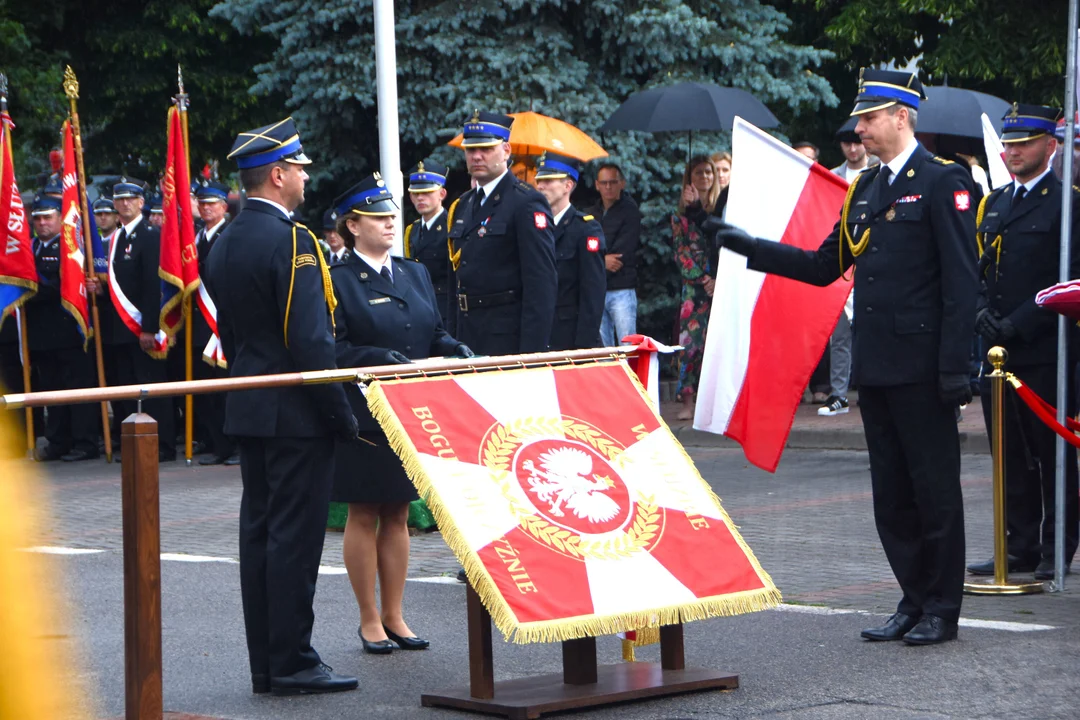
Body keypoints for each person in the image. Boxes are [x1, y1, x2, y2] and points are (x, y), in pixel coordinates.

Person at [714, 69, 977, 645]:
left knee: (934, 492)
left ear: (900, 117)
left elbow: (962, 282)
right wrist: (751, 247)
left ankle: (942, 607)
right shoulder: (866, 188)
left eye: (869, 118)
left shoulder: (942, 181)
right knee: (891, 496)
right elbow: (822, 265)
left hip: (926, 367)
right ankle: (912, 599)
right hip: (878, 366)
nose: (859, 130)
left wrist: (959, 367)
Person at [204, 117, 360, 696]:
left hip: (249, 407)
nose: (302, 177)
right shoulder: (293, 240)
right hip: (295, 414)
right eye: (297, 168)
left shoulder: (224, 241)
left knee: (261, 537)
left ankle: (268, 663)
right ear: (276, 175)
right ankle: (293, 661)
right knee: (293, 542)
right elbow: (310, 342)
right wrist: (340, 413)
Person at [328, 174, 471, 654]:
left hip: (410, 407)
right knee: (365, 509)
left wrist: (456, 350)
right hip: (365, 409)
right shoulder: (338, 279)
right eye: (378, 217)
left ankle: (395, 614)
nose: (391, 222)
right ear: (352, 225)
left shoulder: (413, 272)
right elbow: (335, 348)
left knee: (398, 510)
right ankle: (369, 618)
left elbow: (432, 333)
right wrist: (380, 360)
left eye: (393, 215)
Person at [969, 103, 1080, 581]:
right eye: (1008, 144)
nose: (1012, 151)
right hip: (999, 352)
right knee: (1008, 454)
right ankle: (1017, 547)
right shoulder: (994, 202)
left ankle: (1057, 547)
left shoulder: (1068, 203)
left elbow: (1072, 275)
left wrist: (1018, 321)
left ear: (1050, 146)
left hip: (1046, 347)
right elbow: (980, 268)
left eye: (1024, 143)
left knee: (1053, 453)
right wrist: (981, 313)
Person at [449, 110, 557, 355]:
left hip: (506, 340)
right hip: (466, 337)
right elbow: (456, 279)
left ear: (506, 150)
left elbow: (541, 286)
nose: (476, 156)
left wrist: (531, 356)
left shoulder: (526, 202)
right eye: (470, 150)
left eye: (486, 149)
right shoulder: (463, 205)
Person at [95, 178, 176, 461]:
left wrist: (149, 328)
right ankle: (134, 446)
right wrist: (101, 289)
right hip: (120, 329)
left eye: (130, 199)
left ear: (141, 202)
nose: (124, 204)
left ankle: (163, 445)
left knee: (151, 387)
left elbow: (152, 287)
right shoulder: (117, 237)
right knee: (128, 389)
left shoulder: (150, 236)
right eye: (120, 200)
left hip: (141, 327)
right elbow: (121, 284)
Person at [24, 195, 99, 462]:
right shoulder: (29, 248)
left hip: (70, 330)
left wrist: (28, 288)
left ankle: (85, 441)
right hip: (41, 335)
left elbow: (61, 287)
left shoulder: (71, 248)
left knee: (77, 389)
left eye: (48, 217)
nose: (42, 223)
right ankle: (58, 441)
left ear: (59, 219)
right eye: (38, 218)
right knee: (51, 390)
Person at [820, 127, 872, 417]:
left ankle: (868, 388)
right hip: (840, 261)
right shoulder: (832, 176)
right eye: (846, 144)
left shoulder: (876, 173)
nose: (852, 149)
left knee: (869, 332)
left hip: (867, 262)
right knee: (839, 334)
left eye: (856, 143)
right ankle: (839, 393)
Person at [534, 153, 606, 350]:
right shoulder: (534, 227)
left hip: (570, 339)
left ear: (568, 186)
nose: (540, 186)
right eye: (539, 180)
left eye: (548, 180)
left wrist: (584, 347)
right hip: (539, 338)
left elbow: (593, 294)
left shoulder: (585, 229)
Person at [190, 180, 237, 466]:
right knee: (206, 390)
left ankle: (233, 445)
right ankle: (216, 442)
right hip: (200, 325)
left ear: (224, 207)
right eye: (203, 203)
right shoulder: (196, 238)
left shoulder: (229, 235)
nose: (207, 208)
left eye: (212, 203)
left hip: (222, 322)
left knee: (226, 389)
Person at [673, 155, 719, 421]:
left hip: (721, 283)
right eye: (699, 173)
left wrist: (717, 278)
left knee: (718, 345)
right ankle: (687, 400)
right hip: (694, 289)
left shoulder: (720, 209)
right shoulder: (680, 216)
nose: (705, 177)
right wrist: (703, 279)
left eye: (708, 173)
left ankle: (713, 401)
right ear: (689, 179)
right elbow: (681, 254)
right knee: (691, 345)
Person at [587, 163, 641, 347]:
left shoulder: (631, 211)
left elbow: (621, 255)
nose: (608, 187)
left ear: (622, 183)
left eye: (612, 182)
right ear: (596, 185)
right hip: (597, 290)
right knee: (603, 351)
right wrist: (601, 262)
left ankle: (629, 377)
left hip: (622, 290)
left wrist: (594, 261)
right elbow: (584, 250)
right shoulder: (590, 214)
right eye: (604, 183)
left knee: (628, 347)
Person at [403, 160, 454, 324]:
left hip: (445, 309)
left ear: (442, 194)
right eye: (416, 194)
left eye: (427, 192)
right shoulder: (413, 230)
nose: (420, 198)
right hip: (419, 307)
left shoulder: (452, 227)